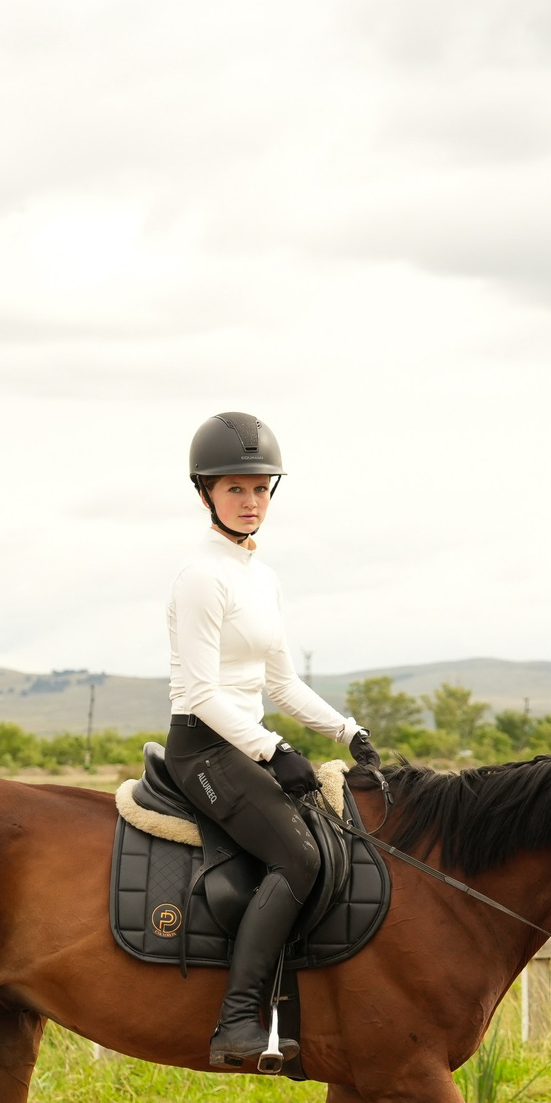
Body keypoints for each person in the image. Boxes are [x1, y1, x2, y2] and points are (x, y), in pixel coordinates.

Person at [165, 411, 379, 1069]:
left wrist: (349, 731)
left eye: (260, 488)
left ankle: (295, 1010)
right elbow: (203, 693)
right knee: (300, 856)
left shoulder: (262, 576)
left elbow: (281, 683)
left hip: (244, 741)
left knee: (330, 841)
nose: (251, 501)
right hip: (203, 748)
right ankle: (237, 1022)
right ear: (206, 492)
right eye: (236, 489)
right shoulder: (203, 575)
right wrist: (273, 751)